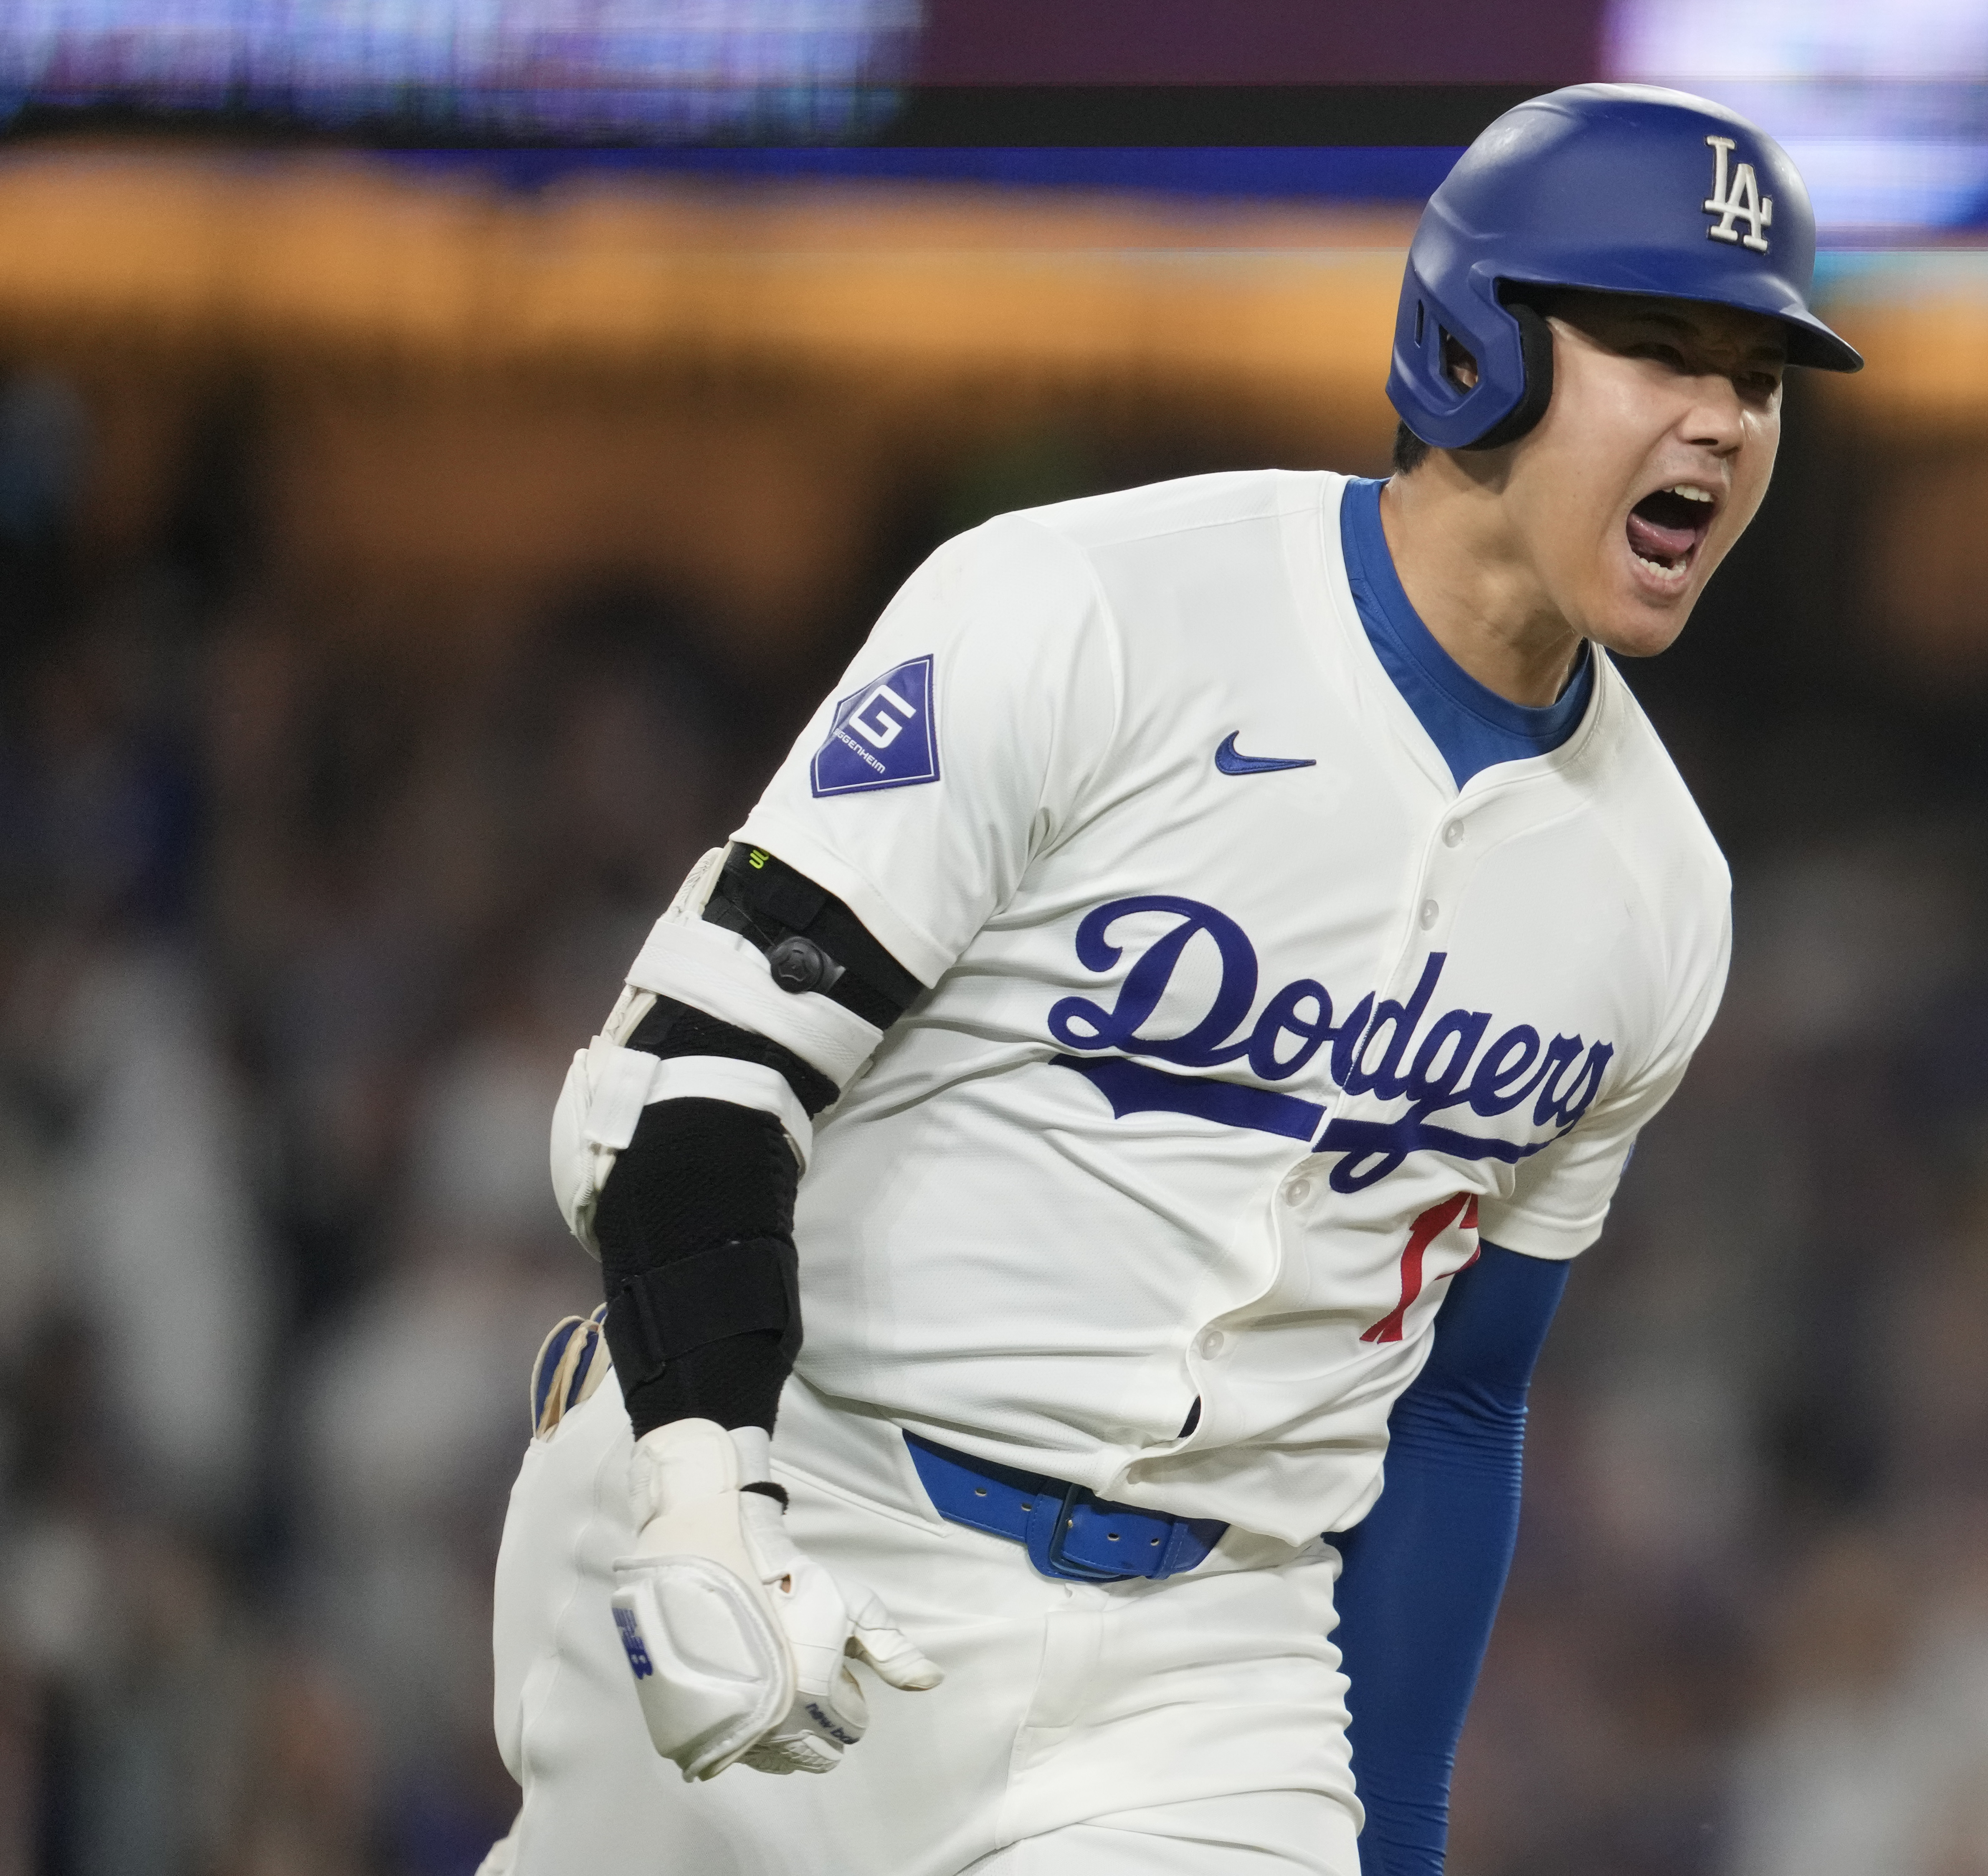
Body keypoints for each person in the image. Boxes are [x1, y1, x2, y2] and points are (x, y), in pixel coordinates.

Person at [479, 81, 1860, 1876]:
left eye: (1755, 378)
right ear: (1475, 352)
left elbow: (1458, 1401)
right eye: (1657, 348)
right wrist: (696, 1476)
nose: (1719, 418)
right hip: (799, 1493)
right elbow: (704, 1069)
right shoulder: (1094, 606)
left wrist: (1402, 1837)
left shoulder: (1657, 889)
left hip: (1203, 1664)